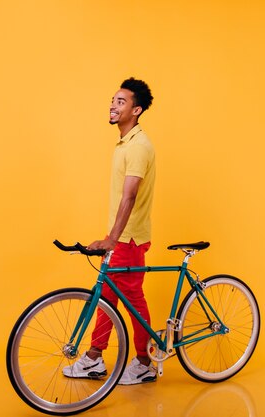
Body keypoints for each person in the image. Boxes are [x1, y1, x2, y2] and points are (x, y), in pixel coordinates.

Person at [63, 77, 156, 385]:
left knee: (126, 297)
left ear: (136, 110)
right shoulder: (124, 143)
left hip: (128, 239)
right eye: (112, 100)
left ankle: (142, 361)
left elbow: (129, 195)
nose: (113, 105)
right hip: (123, 236)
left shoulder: (139, 147)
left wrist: (112, 240)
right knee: (108, 295)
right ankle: (95, 357)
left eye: (121, 102)